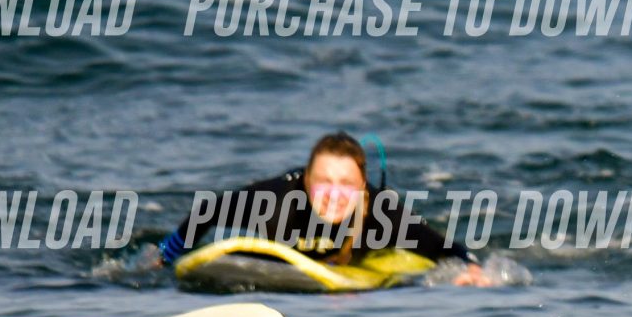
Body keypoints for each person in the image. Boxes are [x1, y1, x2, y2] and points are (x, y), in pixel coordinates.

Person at [157, 131, 494, 284]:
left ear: (361, 186)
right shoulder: (273, 202)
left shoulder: (380, 214)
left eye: (346, 184)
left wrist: (471, 270)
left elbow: (443, 247)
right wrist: (166, 258)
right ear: (306, 180)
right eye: (323, 182)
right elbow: (209, 211)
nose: (334, 195)